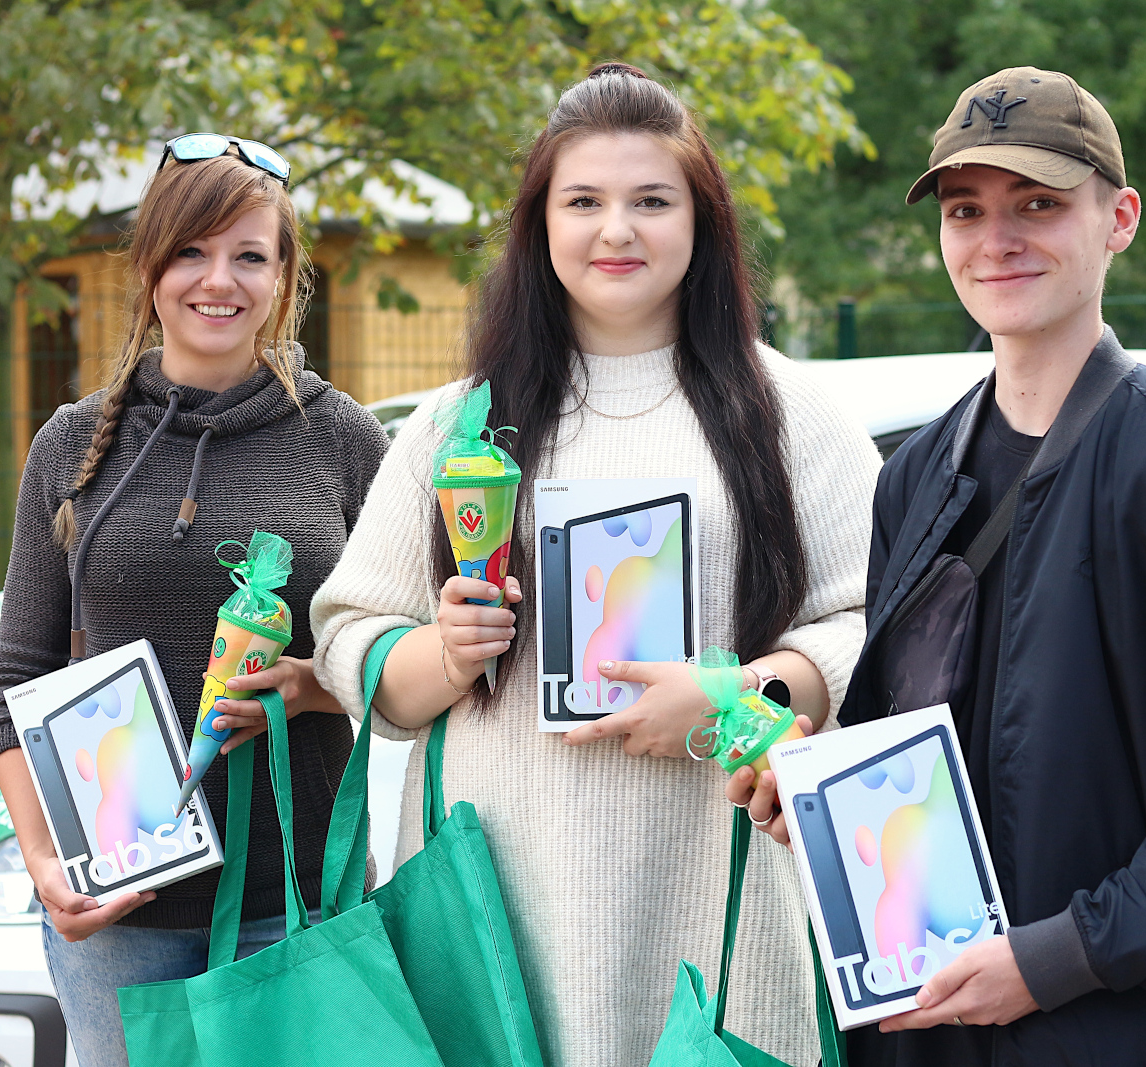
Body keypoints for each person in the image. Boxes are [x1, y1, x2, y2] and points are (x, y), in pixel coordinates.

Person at [729, 67, 1146, 1066]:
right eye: (965, 210)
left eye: (1038, 204)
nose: (996, 239)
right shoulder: (917, 474)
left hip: (1111, 1030)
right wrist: (814, 790)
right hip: (922, 1024)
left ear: (1119, 217)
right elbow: (914, 742)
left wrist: (1054, 956)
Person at [311, 63, 881, 1066]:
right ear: (539, 225)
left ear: (700, 223)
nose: (616, 230)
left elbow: (868, 618)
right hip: (500, 899)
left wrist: (738, 691)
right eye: (583, 201)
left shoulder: (791, 412)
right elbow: (348, 634)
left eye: (650, 201)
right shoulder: (459, 423)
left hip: (719, 889)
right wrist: (444, 654)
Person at [0, 137, 389, 1067]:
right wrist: (48, 866)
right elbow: (15, 679)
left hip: (302, 898)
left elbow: (406, 652)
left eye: (250, 254)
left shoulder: (344, 439)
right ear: (150, 266)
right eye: (192, 252)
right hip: (123, 912)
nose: (221, 280)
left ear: (285, 276)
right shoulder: (74, 443)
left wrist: (315, 687)